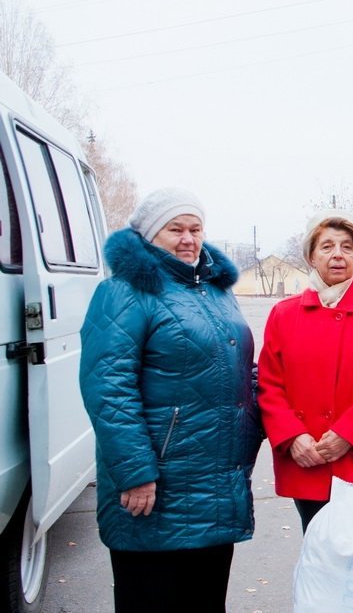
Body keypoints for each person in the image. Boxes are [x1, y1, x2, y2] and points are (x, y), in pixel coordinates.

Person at [79, 188, 260, 612]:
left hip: (216, 478)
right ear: (147, 234)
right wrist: (135, 472)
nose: (188, 239)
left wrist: (260, 425)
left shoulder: (215, 291)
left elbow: (242, 367)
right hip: (156, 482)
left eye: (195, 229)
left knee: (205, 600)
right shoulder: (124, 291)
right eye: (174, 229)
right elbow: (109, 389)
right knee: (151, 599)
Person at [257, 209, 353, 531]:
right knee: (319, 560)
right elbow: (269, 385)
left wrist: (346, 435)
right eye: (327, 246)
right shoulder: (284, 315)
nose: (338, 254)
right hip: (307, 458)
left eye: (347, 247)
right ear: (311, 256)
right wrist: (292, 437)